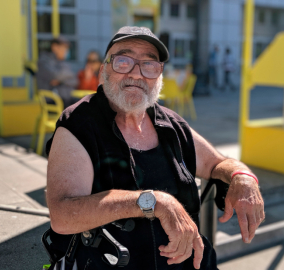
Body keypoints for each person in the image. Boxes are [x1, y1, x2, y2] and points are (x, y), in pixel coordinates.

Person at [45, 26, 264, 269]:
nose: (137, 74)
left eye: (149, 65)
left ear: (159, 76)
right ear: (104, 69)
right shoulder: (79, 124)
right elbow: (63, 215)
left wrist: (242, 177)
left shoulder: (171, 124)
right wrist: (153, 202)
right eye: (123, 61)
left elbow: (218, 163)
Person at [36, 37, 78, 107]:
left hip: (67, 100)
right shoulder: (44, 61)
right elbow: (55, 75)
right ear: (54, 47)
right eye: (64, 48)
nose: (66, 51)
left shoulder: (63, 63)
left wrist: (60, 81)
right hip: (52, 102)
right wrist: (67, 76)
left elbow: (75, 81)